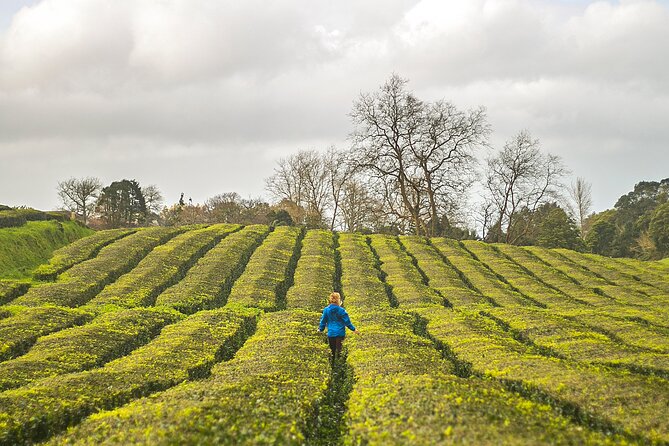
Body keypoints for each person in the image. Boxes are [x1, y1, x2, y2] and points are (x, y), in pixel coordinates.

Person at [318, 292, 358, 362]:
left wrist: (320, 329)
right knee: (339, 351)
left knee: (332, 351)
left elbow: (323, 321)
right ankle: (339, 364)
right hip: (340, 333)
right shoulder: (341, 310)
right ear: (338, 300)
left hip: (331, 333)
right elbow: (347, 322)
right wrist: (354, 329)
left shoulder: (326, 310)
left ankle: (333, 365)